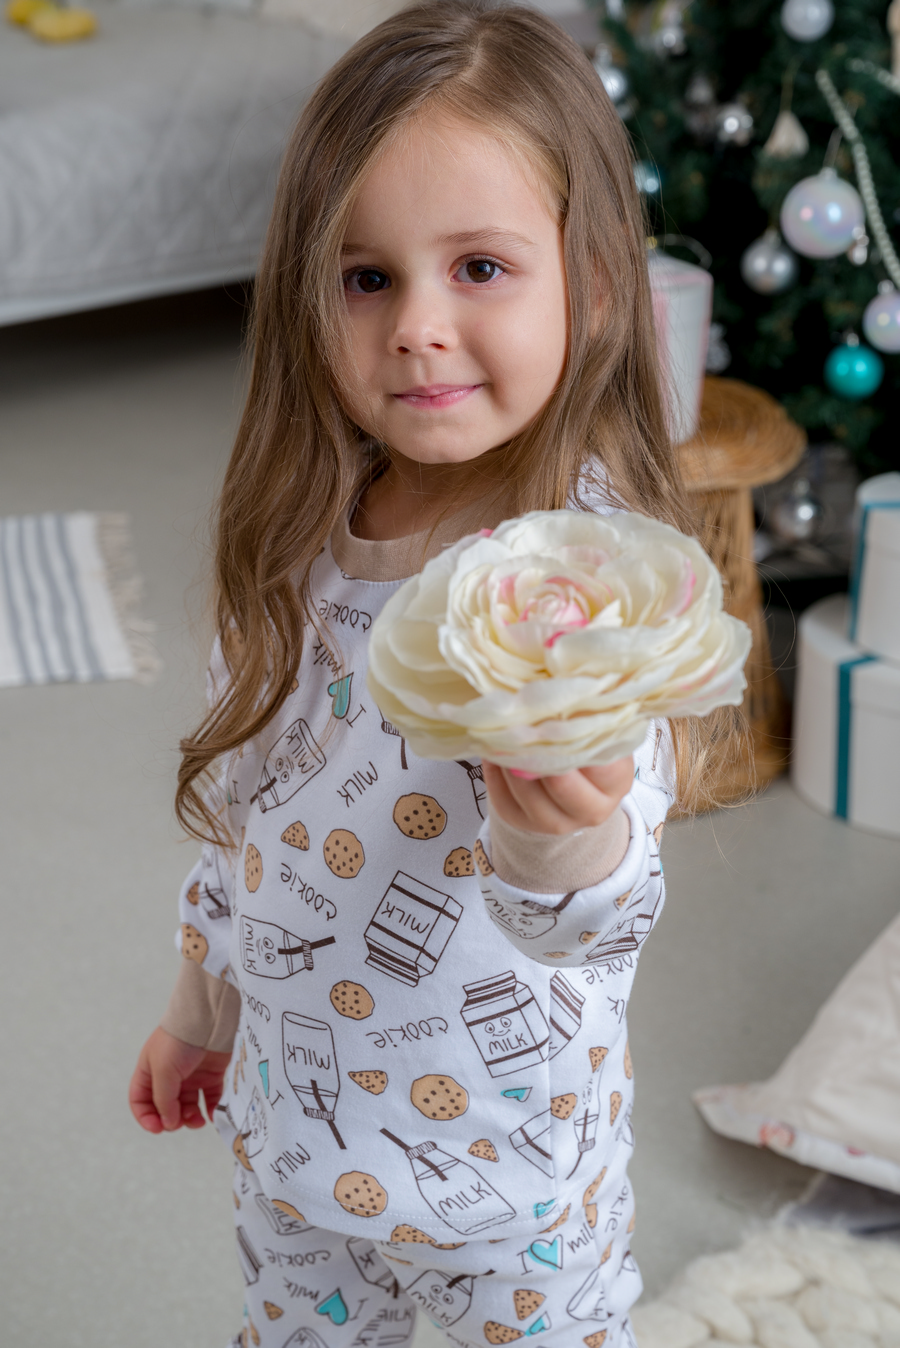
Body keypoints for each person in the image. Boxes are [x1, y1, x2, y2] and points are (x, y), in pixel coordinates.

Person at [129, 5, 742, 1345]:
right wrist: (202, 1009)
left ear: (589, 281)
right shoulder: (297, 540)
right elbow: (248, 816)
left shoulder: (586, 584)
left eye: (478, 267)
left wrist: (556, 834)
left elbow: (599, 916)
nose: (417, 326)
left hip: (514, 1204)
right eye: (367, 278)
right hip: (297, 1162)